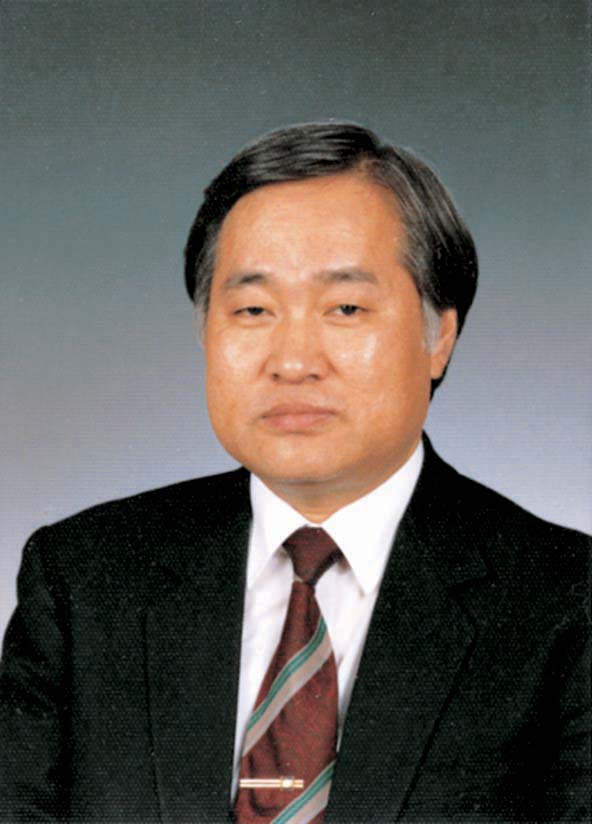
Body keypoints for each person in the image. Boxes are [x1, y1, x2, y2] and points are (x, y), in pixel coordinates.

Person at [0, 122, 589, 824]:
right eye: (253, 309)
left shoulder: (565, 603)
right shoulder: (85, 580)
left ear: (440, 335)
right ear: (205, 330)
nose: (293, 361)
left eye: (346, 308)